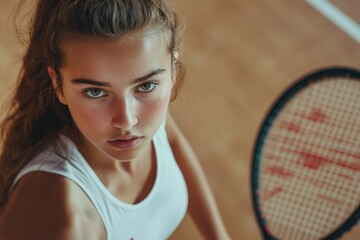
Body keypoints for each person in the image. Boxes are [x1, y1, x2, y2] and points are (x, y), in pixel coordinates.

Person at [0, 0, 231, 239]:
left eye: (146, 85)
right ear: (57, 84)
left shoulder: (151, 115)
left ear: (172, 68)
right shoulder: (64, 221)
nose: (127, 120)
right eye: (95, 92)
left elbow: (172, 142)